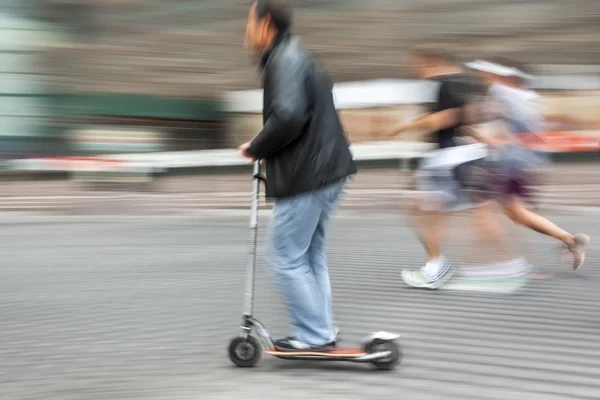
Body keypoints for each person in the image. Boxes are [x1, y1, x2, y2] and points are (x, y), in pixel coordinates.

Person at [239, 0, 357, 351]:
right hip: (329, 170)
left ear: (265, 25)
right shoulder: (299, 55)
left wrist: (256, 147)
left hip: (309, 174)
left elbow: (289, 116)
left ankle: (316, 336)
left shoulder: (283, 59)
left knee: (284, 258)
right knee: (308, 255)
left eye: (248, 22)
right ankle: (322, 330)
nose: (245, 31)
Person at [465, 58, 590, 270]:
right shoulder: (528, 96)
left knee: (490, 209)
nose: (483, 79)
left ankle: (511, 262)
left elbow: (510, 126)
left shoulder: (502, 93)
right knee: (515, 213)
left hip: (509, 162)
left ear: (503, 76)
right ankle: (568, 241)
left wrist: (484, 139)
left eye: (486, 74)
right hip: (521, 161)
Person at [386, 45, 490, 289]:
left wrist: (403, 127)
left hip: (446, 156)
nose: (416, 72)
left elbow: (443, 119)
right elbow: (465, 120)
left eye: (418, 67)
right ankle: (503, 263)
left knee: (417, 209)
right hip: (463, 152)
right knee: (474, 209)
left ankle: (436, 267)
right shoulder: (466, 83)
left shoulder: (445, 85)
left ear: (431, 62)